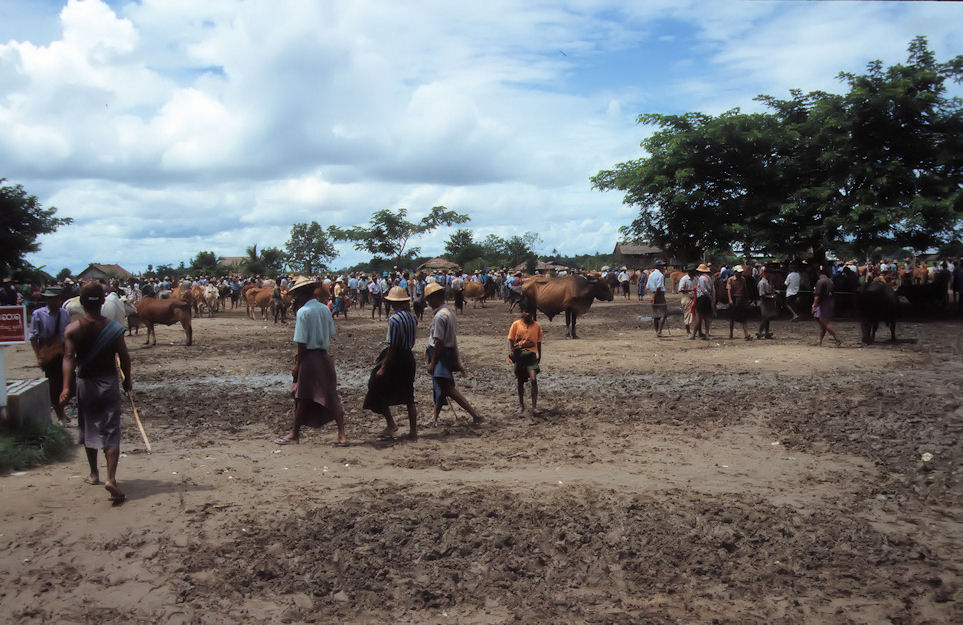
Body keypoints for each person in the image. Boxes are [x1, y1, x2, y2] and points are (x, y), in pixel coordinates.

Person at [59, 281, 131, 502]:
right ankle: (111, 478)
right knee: (111, 431)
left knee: (88, 426)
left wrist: (66, 387)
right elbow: (124, 357)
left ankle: (93, 473)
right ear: (103, 302)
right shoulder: (114, 329)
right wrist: (127, 380)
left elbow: (69, 358)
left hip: (85, 384)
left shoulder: (72, 330)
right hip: (108, 383)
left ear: (80, 302)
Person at [275, 277, 347, 445]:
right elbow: (330, 333)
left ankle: (294, 434)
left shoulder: (303, 312)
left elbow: (301, 342)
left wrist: (297, 364)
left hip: (309, 358)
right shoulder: (324, 309)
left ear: (301, 293)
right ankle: (342, 434)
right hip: (324, 356)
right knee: (331, 395)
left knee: (301, 397)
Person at [363, 286, 418, 440]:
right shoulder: (412, 317)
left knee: (375, 385)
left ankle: (391, 423)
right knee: (409, 396)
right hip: (408, 356)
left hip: (397, 358)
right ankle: (413, 431)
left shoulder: (394, 319)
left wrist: (384, 365)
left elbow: (393, 346)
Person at [424, 282, 483, 426]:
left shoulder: (439, 317)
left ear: (434, 298)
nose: (428, 303)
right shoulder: (449, 312)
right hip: (448, 352)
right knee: (440, 386)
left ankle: (474, 414)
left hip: (440, 354)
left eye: (429, 299)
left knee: (448, 388)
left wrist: (432, 362)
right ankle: (435, 419)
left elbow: (438, 342)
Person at [29, 286, 71, 424]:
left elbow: (69, 333)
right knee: (54, 385)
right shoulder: (38, 314)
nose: (52, 301)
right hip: (48, 354)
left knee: (70, 383)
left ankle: (61, 409)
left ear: (59, 300)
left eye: (55, 298)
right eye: (49, 299)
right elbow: (33, 337)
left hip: (64, 352)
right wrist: (38, 356)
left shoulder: (65, 313)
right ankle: (60, 415)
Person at [507, 309, 542, 415]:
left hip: (531, 357)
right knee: (520, 382)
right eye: (526, 311)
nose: (528, 314)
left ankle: (534, 407)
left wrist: (540, 355)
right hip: (519, 357)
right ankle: (521, 405)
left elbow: (539, 342)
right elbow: (510, 340)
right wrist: (510, 352)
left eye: (530, 312)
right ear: (522, 312)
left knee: (533, 379)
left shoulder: (537, 326)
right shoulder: (516, 324)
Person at [812, 266, 841, 346]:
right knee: (822, 323)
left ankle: (837, 338)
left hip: (823, 303)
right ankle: (819, 340)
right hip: (830, 302)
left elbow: (817, 296)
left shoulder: (820, 282)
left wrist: (813, 306)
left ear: (818, 273)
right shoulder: (830, 281)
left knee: (824, 322)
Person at [726, 265, 752, 340]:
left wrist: (747, 298)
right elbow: (729, 291)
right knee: (732, 318)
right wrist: (730, 300)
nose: (740, 274)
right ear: (735, 272)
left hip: (741, 299)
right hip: (734, 298)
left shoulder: (743, 279)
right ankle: (731, 333)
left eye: (741, 272)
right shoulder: (730, 280)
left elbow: (745, 289)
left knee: (743, 318)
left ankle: (746, 334)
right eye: (739, 272)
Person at [691, 264, 715, 340]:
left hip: (702, 298)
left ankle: (693, 335)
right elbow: (713, 290)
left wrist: (709, 296)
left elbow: (704, 290)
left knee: (698, 317)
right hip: (708, 299)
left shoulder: (701, 278)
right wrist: (712, 299)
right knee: (707, 317)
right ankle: (707, 334)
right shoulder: (709, 278)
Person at [645, 261, 667, 336]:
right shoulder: (660, 275)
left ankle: (657, 331)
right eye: (662, 266)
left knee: (655, 315)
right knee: (663, 314)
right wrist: (655, 297)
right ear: (658, 266)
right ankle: (659, 331)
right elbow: (658, 287)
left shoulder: (651, 274)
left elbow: (647, 287)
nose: (663, 267)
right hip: (659, 295)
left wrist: (652, 296)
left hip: (653, 294)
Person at [757, 269, 776, 339]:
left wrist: (775, 292)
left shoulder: (769, 282)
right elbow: (762, 294)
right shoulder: (762, 283)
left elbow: (771, 290)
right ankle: (759, 332)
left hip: (769, 301)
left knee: (768, 318)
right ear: (765, 274)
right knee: (765, 317)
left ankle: (767, 332)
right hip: (764, 301)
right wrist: (771, 296)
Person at [678, 268, 697, 337]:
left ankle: (698, 330)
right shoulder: (684, 279)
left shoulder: (695, 279)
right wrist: (690, 289)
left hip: (694, 297)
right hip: (686, 297)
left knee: (696, 314)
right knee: (687, 314)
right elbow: (680, 289)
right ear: (689, 272)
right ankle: (688, 331)